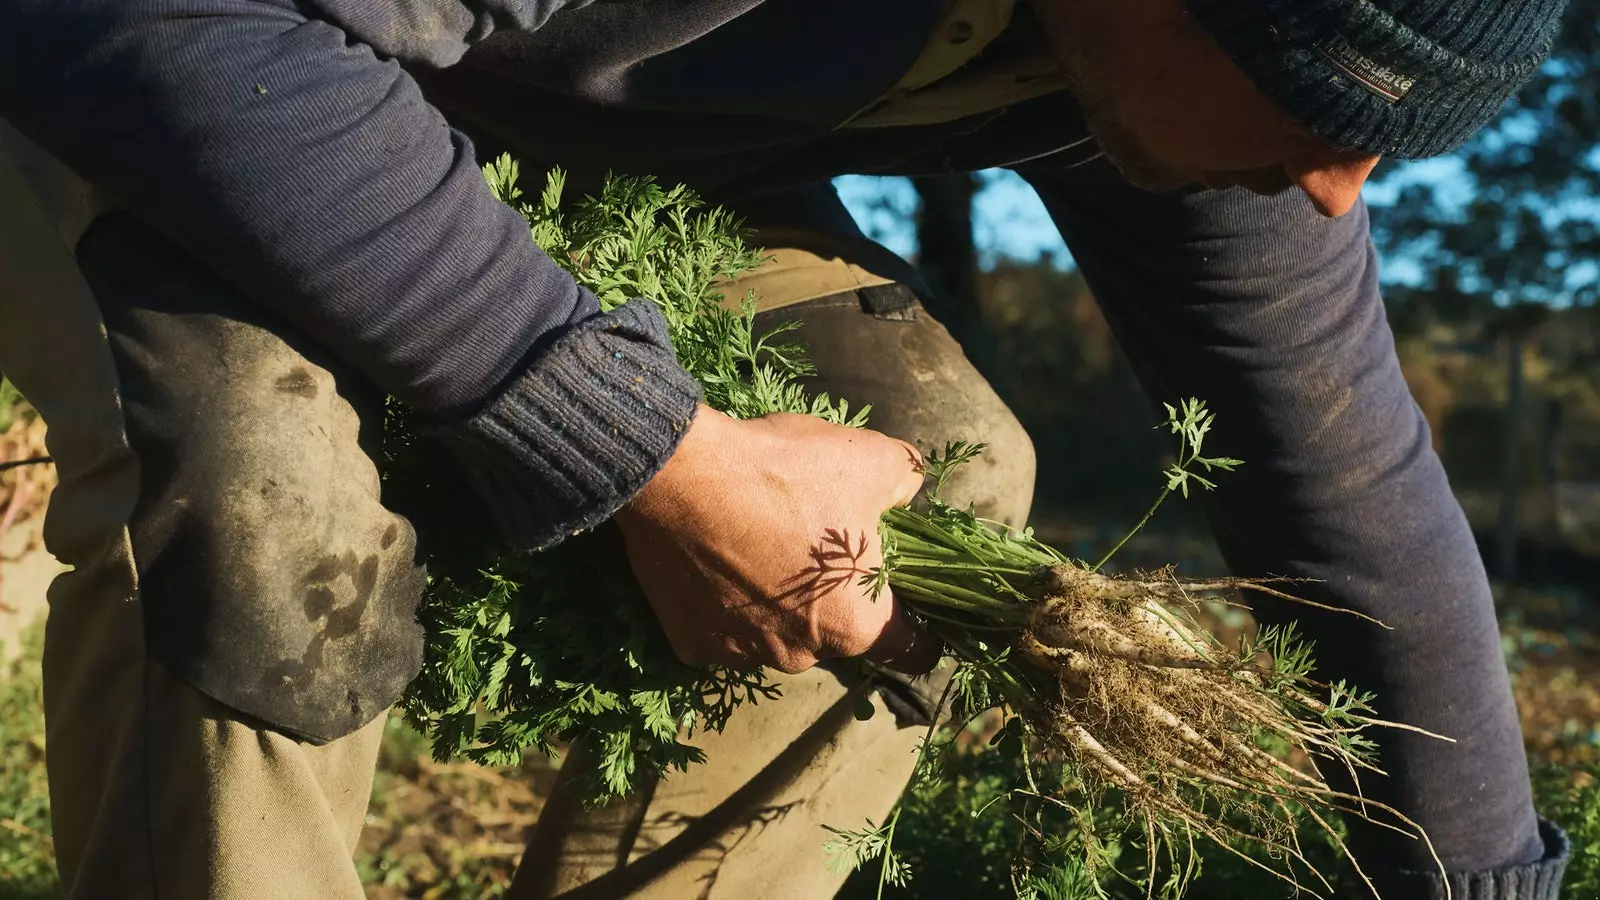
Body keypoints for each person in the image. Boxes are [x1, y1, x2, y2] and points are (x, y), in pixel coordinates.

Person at [0, 0, 1573, 897]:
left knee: (932, 461)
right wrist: (650, 447)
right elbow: (159, 18)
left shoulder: (1157, 91)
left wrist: (1482, 886)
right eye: (1324, 108)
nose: (1337, 191)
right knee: (267, 504)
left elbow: (1345, 474)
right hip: (177, 65)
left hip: (516, 120)